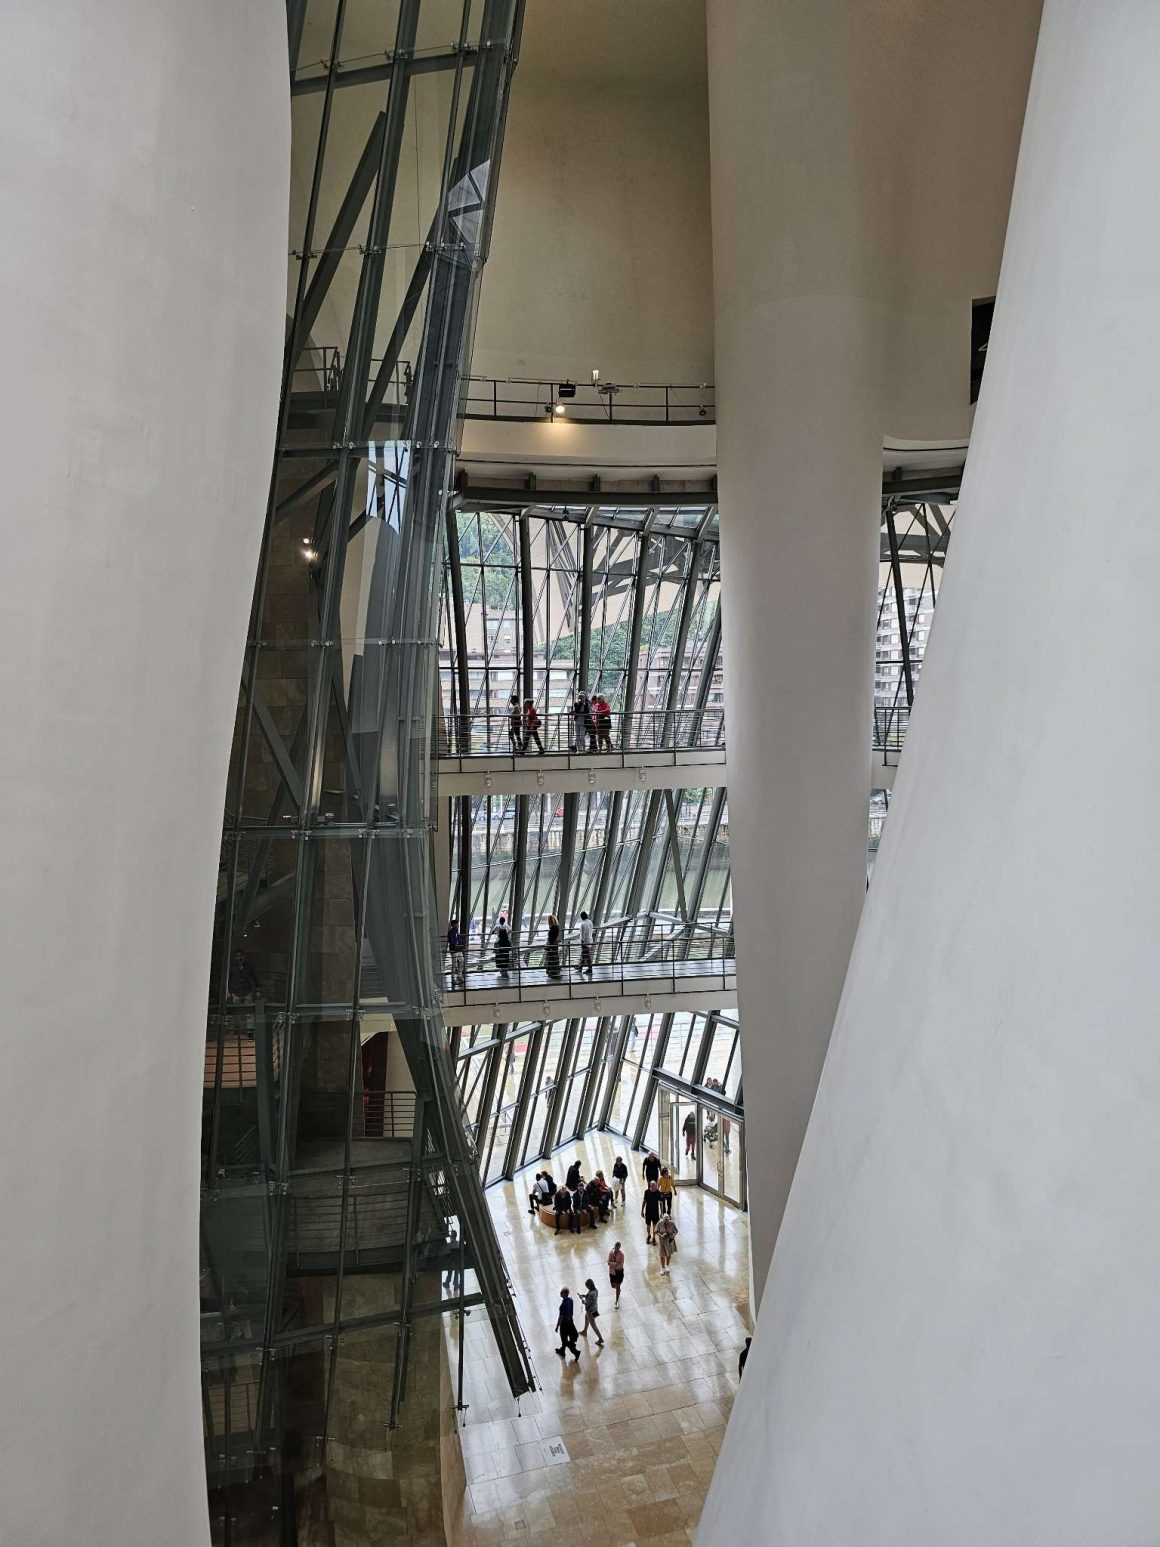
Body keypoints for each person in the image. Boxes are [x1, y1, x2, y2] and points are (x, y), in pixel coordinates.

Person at [555, 1287, 581, 1361]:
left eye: (561, 1292)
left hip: (564, 1324)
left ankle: (576, 1352)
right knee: (567, 1337)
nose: (560, 1293)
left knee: (564, 1340)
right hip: (570, 1321)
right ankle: (562, 1350)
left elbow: (560, 1317)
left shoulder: (562, 1305)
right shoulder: (571, 1300)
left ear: (564, 1294)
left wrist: (557, 1326)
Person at [580, 1278, 604, 1346]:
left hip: (590, 1311)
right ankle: (585, 1331)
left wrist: (582, 1300)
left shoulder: (590, 1294)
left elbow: (587, 1303)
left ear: (588, 1286)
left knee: (593, 1325)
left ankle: (600, 1338)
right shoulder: (595, 1290)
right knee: (586, 1318)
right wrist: (585, 1296)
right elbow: (592, 1298)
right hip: (595, 1309)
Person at [641, 1180, 662, 1244]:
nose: (653, 1187)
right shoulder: (647, 1192)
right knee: (648, 1225)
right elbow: (644, 1201)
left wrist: (662, 1212)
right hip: (648, 1212)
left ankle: (654, 1237)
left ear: (656, 1186)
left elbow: (661, 1203)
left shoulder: (658, 1193)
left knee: (655, 1226)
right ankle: (649, 1235)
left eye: (654, 1185)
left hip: (655, 1212)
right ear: (650, 1185)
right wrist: (642, 1210)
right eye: (652, 1185)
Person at [447, 918, 465, 987]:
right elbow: (451, 941)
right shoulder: (451, 932)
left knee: (462, 960)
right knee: (454, 964)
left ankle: (459, 976)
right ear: (454, 925)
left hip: (458, 949)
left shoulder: (457, 932)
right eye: (457, 924)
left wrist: (460, 945)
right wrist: (456, 945)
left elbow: (459, 940)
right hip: (454, 950)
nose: (458, 925)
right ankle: (453, 979)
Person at [607, 1241, 625, 1308]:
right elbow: (608, 1262)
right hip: (612, 1272)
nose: (616, 1249)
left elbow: (620, 1266)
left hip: (619, 1273)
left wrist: (613, 1264)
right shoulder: (611, 1253)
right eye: (615, 1247)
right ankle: (618, 1289)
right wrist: (616, 1264)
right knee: (612, 1285)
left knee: (617, 1286)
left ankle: (616, 1301)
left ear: (619, 1248)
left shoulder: (621, 1255)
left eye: (618, 1247)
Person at [578, 910, 594, 976]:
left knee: (586, 955)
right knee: (584, 954)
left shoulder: (583, 924)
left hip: (585, 942)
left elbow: (582, 934)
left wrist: (582, 942)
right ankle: (580, 967)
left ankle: (590, 969)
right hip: (590, 940)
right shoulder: (590, 922)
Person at [546, 913, 562, 978]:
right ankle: (555, 972)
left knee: (551, 959)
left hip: (552, 946)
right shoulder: (557, 927)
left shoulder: (552, 928)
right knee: (555, 958)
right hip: (555, 945)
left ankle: (552, 972)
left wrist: (548, 946)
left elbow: (551, 938)